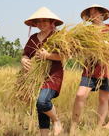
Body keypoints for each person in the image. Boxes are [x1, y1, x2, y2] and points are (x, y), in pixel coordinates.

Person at [70, 4, 109, 133]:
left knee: (103, 99)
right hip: (90, 68)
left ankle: (98, 128)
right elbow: (79, 48)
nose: (94, 15)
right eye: (91, 14)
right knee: (80, 95)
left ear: (102, 15)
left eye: (96, 12)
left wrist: (108, 46)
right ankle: (73, 127)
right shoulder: (86, 31)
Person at [22, 7, 64, 136]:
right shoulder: (33, 38)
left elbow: (64, 56)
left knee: (42, 101)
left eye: (44, 20)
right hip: (36, 77)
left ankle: (56, 121)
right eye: (38, 22)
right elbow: (26, 54)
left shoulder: (58, 36)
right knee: (40, 107)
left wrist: (48, 55)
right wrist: (23, 60)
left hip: (53, 75)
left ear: (52, 22)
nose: (41, 24)